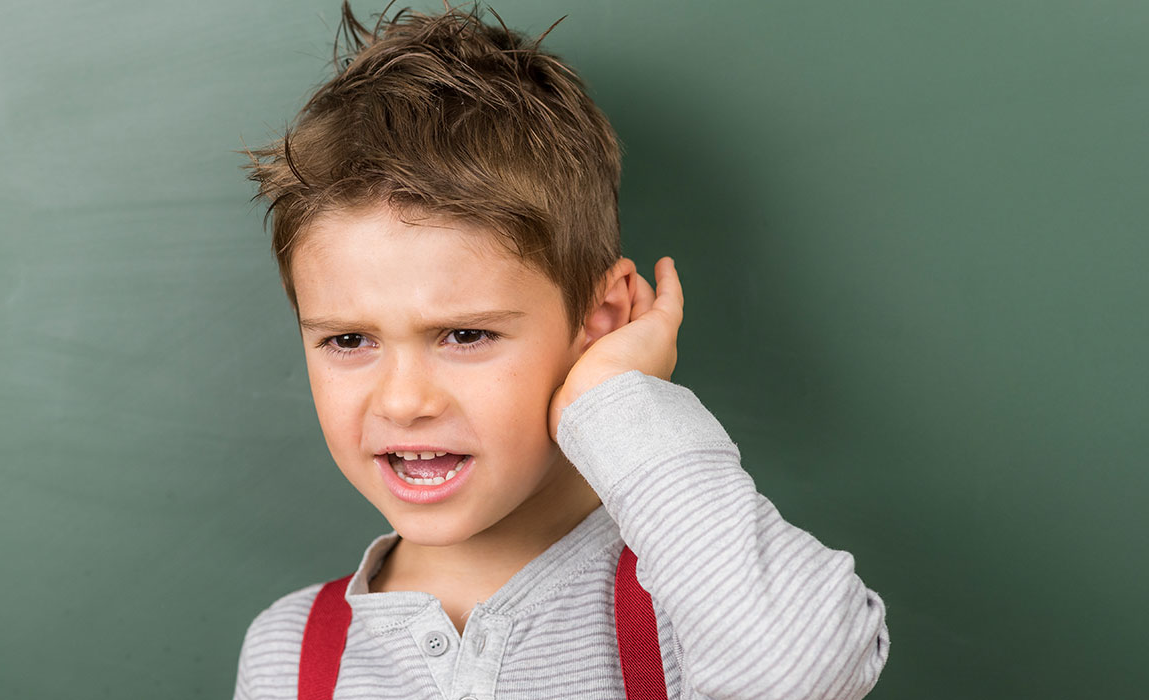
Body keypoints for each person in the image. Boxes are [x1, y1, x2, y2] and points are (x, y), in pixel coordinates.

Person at [233, 3, 889, 698]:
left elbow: (804, 670)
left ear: (601, 320)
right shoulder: (292, 652)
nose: (403, 401)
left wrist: (616, 399)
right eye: (348, 340)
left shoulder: (693, 610)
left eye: (465, 335)